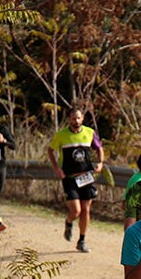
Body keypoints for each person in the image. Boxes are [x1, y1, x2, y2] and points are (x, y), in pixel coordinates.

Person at [47, 107, 104, 253]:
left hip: (86, 176)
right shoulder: (61, 135)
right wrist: (56, 169)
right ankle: (69, 221)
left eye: (78, 118)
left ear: (82, 118)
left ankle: (82, 240)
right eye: (73, 118)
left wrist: (100, 162)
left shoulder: (89, 133)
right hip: (69, 177)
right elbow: (50, 150)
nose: (76, 121)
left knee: (86, 209)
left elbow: (99, 148)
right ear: (69, 119)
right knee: (76, 210)